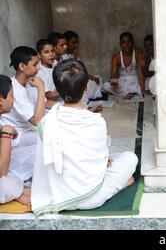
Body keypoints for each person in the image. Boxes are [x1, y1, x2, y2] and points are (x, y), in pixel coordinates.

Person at [31, 59, 138, 216]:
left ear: (58, 91)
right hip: (92, 198)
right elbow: (100, 159)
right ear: (87, 88)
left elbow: (38, 120)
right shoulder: (96, 121)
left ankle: (113, 185)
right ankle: (117, 186)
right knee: (130, 158)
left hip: (59, 194)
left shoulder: (48, 121)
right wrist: (103, 158)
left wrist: (41, 89)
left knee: (113, 158)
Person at [0, 47, 47, 183]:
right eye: (35, 64)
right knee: (49, 140)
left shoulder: (27, 83)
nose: (38, 68)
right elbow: (37, 120)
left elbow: (42, 106)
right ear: (22, 66)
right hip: (19, 136)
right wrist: (41, 87)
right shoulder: (14, 88)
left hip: (27, 131)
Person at [0, 75, 31, 205]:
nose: (14, 100)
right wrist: (7, 132)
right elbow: (2, 172)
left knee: (33, 152)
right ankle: (20, 191)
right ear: (1, 100)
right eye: (12, 95)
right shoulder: (5, 128)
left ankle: (19, 190)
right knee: (4, 184)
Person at [63, 30, 103, 101]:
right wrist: (74, 59)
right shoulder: (62, 56)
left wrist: (92, 77)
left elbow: (81, 69)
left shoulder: (74, 54)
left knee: (98, 79)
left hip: (80, 77)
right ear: (66, 43)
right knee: (89, 85)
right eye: (73, 43)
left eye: (77, 43)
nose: (76, 45)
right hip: (72, 82)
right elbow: (71, 73)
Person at [103, 32, 145, 99]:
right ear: (120, 44)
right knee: (105, 86)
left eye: (129, 42)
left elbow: (140, 73)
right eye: (124, 42)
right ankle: (132, 93)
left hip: (137, 82)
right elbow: (113, 74)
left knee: (150, 83)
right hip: (124, 84)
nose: (127, 45)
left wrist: (142, 90)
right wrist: (113, 81)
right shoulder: (116, 57)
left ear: (133, 43)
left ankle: (131, 93)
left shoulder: (138, 53)